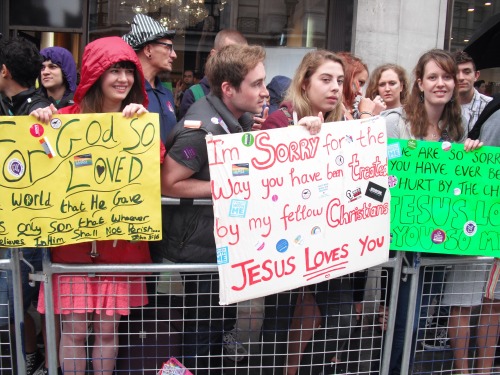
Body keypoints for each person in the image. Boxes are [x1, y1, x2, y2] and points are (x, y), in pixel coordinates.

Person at [31, 36, 154, 375]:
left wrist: (141, 126)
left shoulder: (139, 119)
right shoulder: (65, 117)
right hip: (71, 245)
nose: (123, 79)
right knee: (73, 331)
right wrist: (39, 124)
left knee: (107, 331)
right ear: (96, 73)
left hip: (119, 249)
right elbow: (39, 158)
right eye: (114, 70)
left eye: (129, 71)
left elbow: (154, 167)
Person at [160, 44, 268, 374]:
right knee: (202, 330)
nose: (265, 92)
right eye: (256, 84)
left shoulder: (235, 118)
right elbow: (168, 183)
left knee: (216, 324)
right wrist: (225, 186)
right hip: (198, 247)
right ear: (228, 89)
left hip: (218, 242)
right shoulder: (202, 127)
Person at [261, 50, 364, 375]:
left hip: (328, 243)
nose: (335, 87)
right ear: (304, 83)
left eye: (339, 80)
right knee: (280, 321)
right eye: (325, 79)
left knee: (341, 318)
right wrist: (295, 138)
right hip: (285, 245)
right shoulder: (280, 119)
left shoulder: (341, 123)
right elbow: (260, 177)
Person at [383, 49, 481, 375]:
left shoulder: (457, 126)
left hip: (437, 241)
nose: (441, 83)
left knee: (418, 319)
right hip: (404, 243)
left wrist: (469, 154)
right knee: (402, 321)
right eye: (433, 77)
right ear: (420, 83)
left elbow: (459, 183)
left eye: (447, 77)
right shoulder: (396, 122)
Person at [436, 50, 493, 373]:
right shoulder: (444, 113)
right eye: (454, 72)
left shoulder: (490, 107)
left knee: (491, 301)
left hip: (487, 211)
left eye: (466, 72)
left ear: (476, 74)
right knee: (460, 300)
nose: (461, 78)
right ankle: (461, 368)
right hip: (459, 217)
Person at [0, 36, 50, 375]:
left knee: (17, 304)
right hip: (11, 227)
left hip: (31, 228)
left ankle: (29, 359)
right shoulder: (7, 104)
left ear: (4, 71)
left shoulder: (40, 111)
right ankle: (25, 357)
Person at [123, 13, 177, 145]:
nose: (174, 55)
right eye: (168, 47)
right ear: (148, 49)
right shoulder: (126, 91)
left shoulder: (167, 94)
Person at [178, 29, 247, 119]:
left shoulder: (245, 91)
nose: (234, 61)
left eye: (241, 56)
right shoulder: (194, 94)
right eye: (229, 53)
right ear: (213, 54)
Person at [337, 51, 386, 120]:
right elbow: (363, 130)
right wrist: (367, 113)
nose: (360, 91)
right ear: (347, 77)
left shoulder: (345, 109)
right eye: (360, 82)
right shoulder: (333, 109)